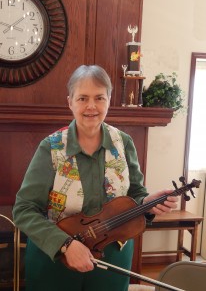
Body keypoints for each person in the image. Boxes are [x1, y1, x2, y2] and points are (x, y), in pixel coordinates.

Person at [12, 65, 178, 291]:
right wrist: (65, 245)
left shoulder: (124, 142)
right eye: (82, 98)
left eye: (99, 97)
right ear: (70, 101)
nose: (91, 106)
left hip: (111, 258)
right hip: (53, 260)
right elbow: (24, 209)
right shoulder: (50, 148)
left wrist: (147, 204)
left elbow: (136, 194)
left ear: (109, 100)